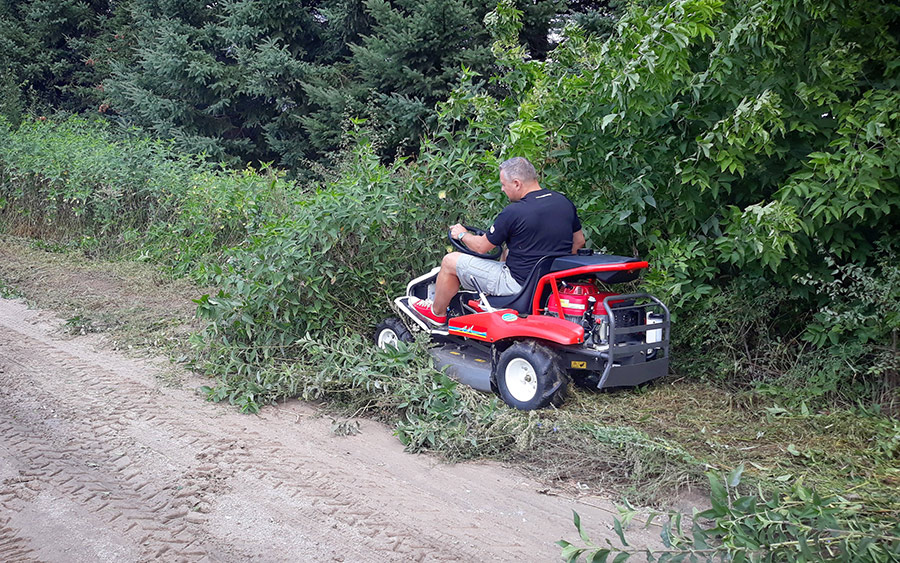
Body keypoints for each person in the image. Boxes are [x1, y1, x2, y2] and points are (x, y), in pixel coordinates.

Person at [410, 156, 586, 325]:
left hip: (517, 285)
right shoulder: (563, 203)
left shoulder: (514, 212)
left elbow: (481, 247)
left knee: (450, 262)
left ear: (517, 183)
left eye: (503, 184)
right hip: (551, 284)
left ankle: (437, 313)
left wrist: (462, 234)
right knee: (506, 252)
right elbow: (579, 242)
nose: (502, 189)